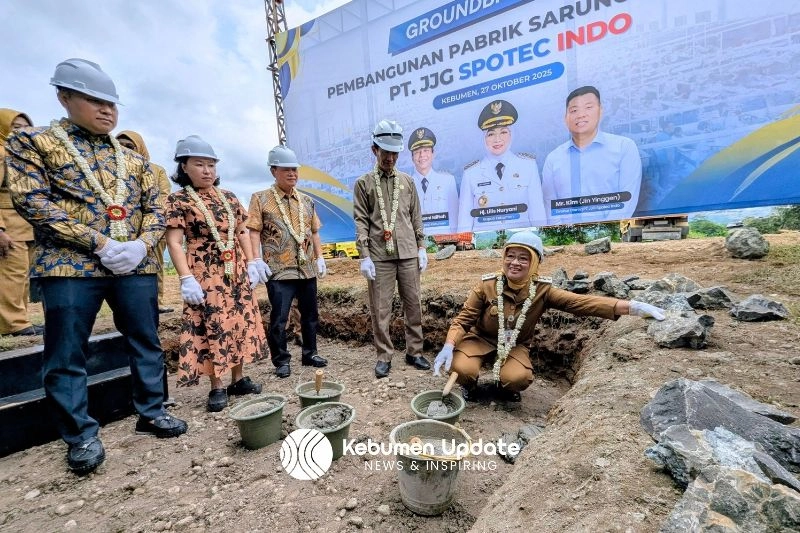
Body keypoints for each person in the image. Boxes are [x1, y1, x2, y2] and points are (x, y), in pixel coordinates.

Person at [5, 58, 188, 475]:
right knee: (68, 350)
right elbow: (31, 201)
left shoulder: (136, 162)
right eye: (94, 100)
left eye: (111, 103)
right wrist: (98, 241)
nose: (107, 110)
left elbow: (156, 205)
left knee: (145, 339)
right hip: (71, 265)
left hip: (133, 265)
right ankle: (81, 435)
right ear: (64, 97)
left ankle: (152, 411)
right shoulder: (34, 143)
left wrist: (143, 243)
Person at [432, 231, 665, 401]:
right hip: (480, 340)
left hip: (515, 345)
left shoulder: (543, 290)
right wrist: (449, 345)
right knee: (461, 368)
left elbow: (580, 303)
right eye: (510, 256)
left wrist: (632, 307)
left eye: (523, 258)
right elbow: (463, 319)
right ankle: (470, 389)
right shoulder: (487, 285)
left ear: (535, 263)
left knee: (517, 378)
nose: (514, 262)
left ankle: (504, 390)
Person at [165, 135, 267, 411]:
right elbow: (174, 242)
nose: (208, 171)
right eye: (200, 164)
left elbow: (243, 231)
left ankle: (239, 378)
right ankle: (217, 385)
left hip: (235, 270)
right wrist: (186, 277)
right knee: (214, 325)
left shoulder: (229, 197)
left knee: (238, 321)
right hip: (204, 272)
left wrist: (253, 261)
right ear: (184, 167)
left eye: (211, 165)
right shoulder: (178, 201)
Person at [353, 119, 430, 378]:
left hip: (408, 253)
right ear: (374, 150)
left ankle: (415, 352)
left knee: (413, 304)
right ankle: (384, 356)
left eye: (395, 152)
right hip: (379, 256)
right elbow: (361, 220)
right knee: (381, 308)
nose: (390, 157)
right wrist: (364, 256)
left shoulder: (408, 182)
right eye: (386, 151)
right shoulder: (363, 183)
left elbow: (416, 216)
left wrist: (421, 247)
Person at [246, 145, 327, 378]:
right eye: (286, 170)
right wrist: (255, 260)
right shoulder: (260, 199)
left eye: (294, 169)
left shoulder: (307, 201)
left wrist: (320, 257)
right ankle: (281, 359)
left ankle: (310, 353)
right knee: (279, 318)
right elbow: (253, 231)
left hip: (307, 269)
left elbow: (314, 232)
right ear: (274, 171)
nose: (292, 174)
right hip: (279, 270)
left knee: (310, 315)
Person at [541, 86, 642, 225]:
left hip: (610, 235)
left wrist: (604, 230)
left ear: (600, 111)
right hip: (566, 237)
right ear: (566, 118)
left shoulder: (624, 147)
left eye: (588, 107)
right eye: (574, 110)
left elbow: (626, 201)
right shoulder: (553, 159)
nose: (581, 114)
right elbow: (550, 206)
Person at [457, 100, 546, 232]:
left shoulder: (528, 166)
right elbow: (465, 219)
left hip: (521, 240)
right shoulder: (471, 173)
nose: (497, 139)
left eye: (503, 132)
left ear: (512, 134)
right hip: (485, 246)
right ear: (484, 138)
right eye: (491, 134)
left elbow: (537, 210)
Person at [116, 130, 174, 313]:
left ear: (140, 147)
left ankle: (157, 301)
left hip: (152, 229)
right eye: (120, 145)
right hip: (121, 227)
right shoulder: (112, 169)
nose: (125, 149)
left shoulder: (156, 170)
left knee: (154, 265)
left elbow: (164, 197)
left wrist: (150, 223)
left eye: (129, 146)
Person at [0, 108, 42, 336]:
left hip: (26, 226)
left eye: (27, 128)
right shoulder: (1, 153)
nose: (23, 132)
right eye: (17, 128)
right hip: (9, 227)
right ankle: (13, 324)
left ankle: (19, 319)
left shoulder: (22, 154)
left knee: (22, 276)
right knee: (12, 275)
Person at [408, 127, 459, 233]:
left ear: (433, 153)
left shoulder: (448, 181)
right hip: (416, 244)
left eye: (426, 150)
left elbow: (454, 218)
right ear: (412, 157)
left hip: (444, 243)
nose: (422, 155)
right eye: (417, 152)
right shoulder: (406, 185)